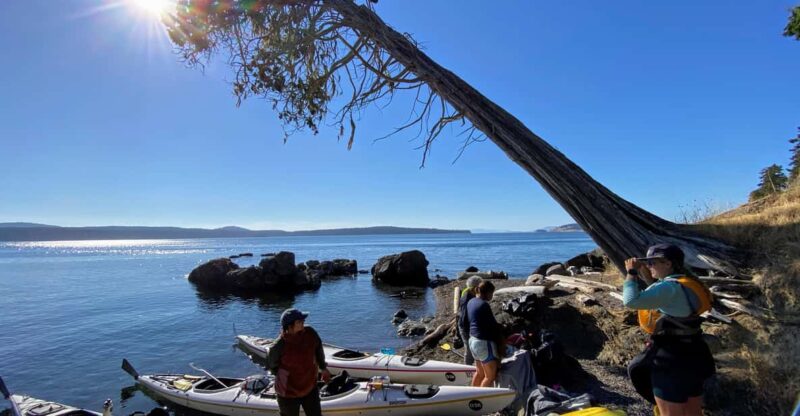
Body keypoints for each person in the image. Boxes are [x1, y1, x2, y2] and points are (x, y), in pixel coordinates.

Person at [623, 244, 715, 416]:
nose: (649, 266)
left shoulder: (669, 288)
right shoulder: (687, 282)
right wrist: (645, 273)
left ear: (668, 264)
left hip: (671, 359)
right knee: (693, 411)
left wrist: (631, 273)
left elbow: (630, 301)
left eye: (652, 263)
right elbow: (660, 293)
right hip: (694, 353)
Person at [266, 308, 332, 416]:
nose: (303, 323)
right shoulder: (278, 346)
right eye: (299, 321)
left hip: (309, 387)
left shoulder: (310, 333)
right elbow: (272, 365)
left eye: (303, 320)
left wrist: (323, 368)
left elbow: (318, 349)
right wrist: (286, 375)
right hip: (287, 394)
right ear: (289, 326)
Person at [467, 280, 503, 387]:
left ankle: (472, 395)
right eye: (491, 293)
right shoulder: (484, 305)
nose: (492, 296)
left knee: (480, 373)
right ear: (487, 293)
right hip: (483, 343)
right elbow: (493, 325)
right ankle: (479, 400)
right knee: (490, 377)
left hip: (472, 340)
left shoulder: (471, 301)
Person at [457, 275, 483, 365]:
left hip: (468, 325)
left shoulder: (469, 293)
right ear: (475, 287)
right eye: (480, 286)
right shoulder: (467, 298)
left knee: (472, 348)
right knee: (469, 348)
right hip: (465, 327)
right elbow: (464, 317)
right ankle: (467, 367)